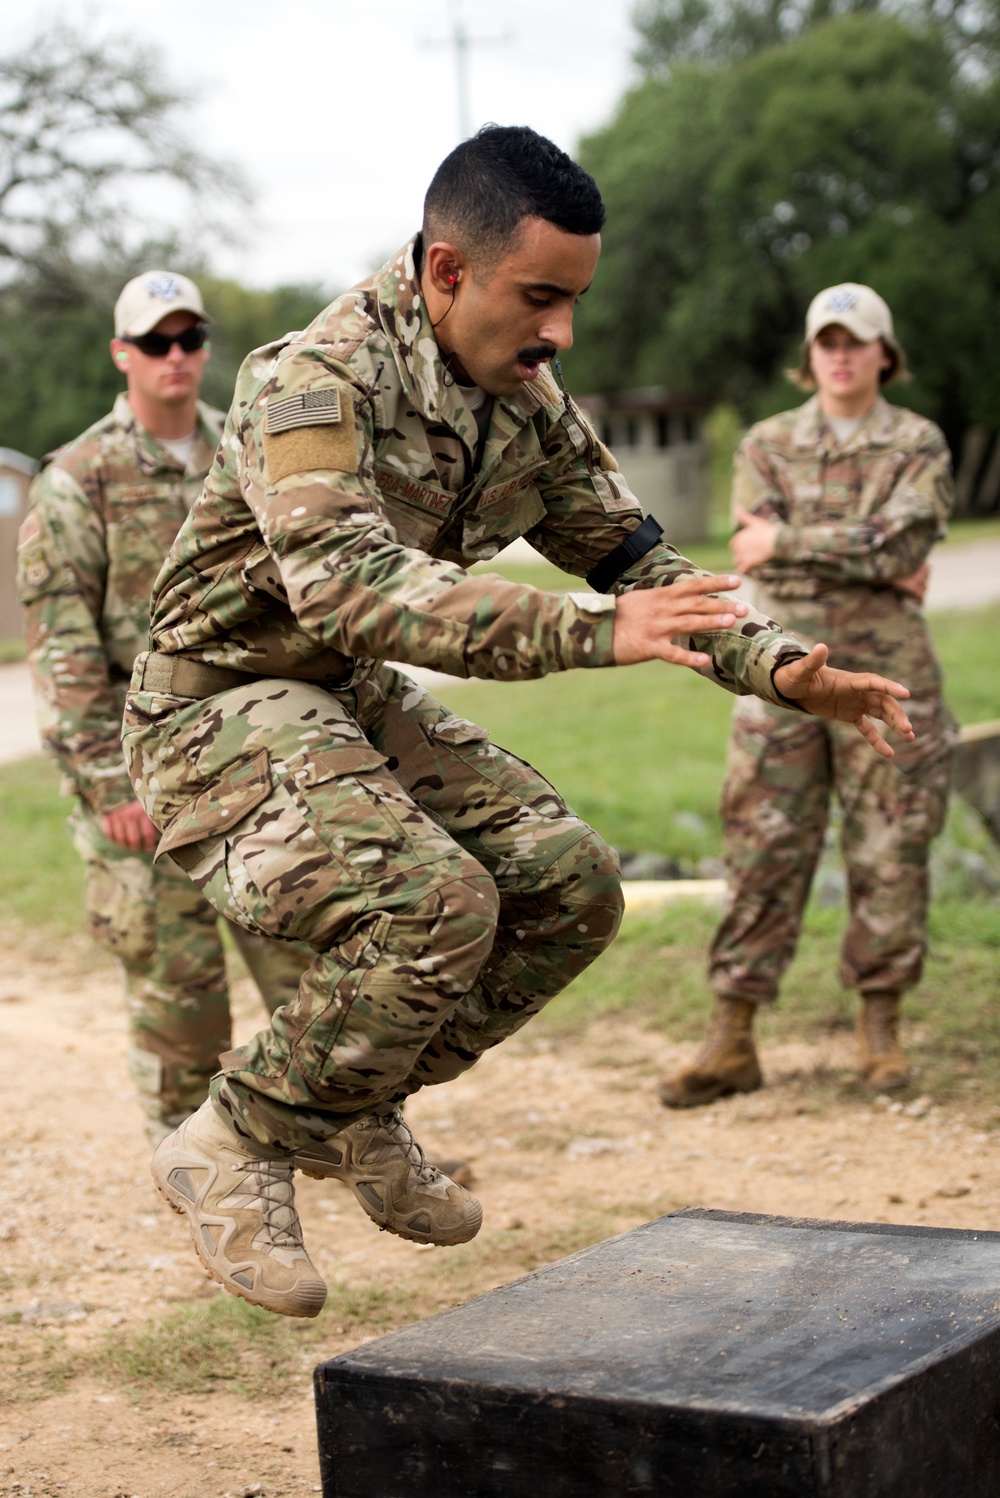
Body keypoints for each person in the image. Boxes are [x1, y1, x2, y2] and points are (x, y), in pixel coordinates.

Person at [122, 129, 915, 1319]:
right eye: (540, 297)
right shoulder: (312, 381)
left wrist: (782, 666)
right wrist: (588, 633)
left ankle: (352, 1102)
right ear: (449, 270)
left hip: (340, 692)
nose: (561, 334)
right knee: (433, 898)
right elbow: (347, 585)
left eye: (575, 302)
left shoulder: (525, 401)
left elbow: (641, 562)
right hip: (213, 703)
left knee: (571, 884)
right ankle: (232, 1142)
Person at [16, 271, 311, 1140]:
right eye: (155, 342)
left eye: (189, 339)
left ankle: (345, 1141)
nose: (175, 356)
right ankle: (196, 1169)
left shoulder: (245, 453)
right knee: (180, 997)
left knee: (308, 962)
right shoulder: (79, 478)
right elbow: (62, 644)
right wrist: (108, 785)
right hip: (140, 778)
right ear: (123, 355)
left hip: (252, 758)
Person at [659, 283, 954, 1111]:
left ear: (883, 353)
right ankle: (732, 1036)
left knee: (891, 846)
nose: (840, 353)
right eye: (826, 340)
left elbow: (906, 535)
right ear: (810, 353)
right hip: (779, 675)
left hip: (893, 677)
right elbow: (767, 558)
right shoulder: (766, 442)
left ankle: (881, 1029)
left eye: (856, 340)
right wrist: (871, 559)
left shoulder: (919, 441)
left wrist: (788, 539)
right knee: (762, 847)